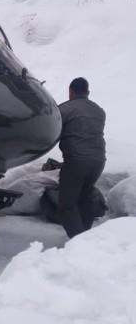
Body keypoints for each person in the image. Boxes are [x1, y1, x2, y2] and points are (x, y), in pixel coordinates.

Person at [58, 77, 106, 238]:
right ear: (88, 92)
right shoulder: (99, 111)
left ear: (71, 92)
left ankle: (78, 243)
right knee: (84, 198)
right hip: (98, 161)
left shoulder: (65, 109)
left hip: (77, 161)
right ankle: (86, 239)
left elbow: (52, 130)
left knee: (67, 204)